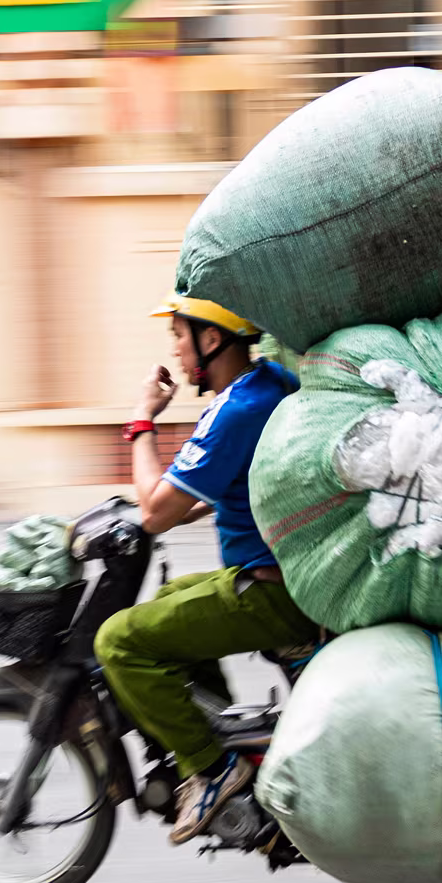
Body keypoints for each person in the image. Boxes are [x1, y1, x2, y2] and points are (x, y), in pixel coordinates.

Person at [95, 294, 317, 844]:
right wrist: (176, 501)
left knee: (118, 641)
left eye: (179, 334)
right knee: (164, 609)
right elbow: (211, 491)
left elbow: (154, 512)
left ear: (211, 339)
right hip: (275, 577)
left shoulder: (236, 408)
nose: (174, 347)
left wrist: (142, 419)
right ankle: (224, 738)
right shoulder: (270, 383)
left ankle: (213, 769)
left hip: (267, 591)